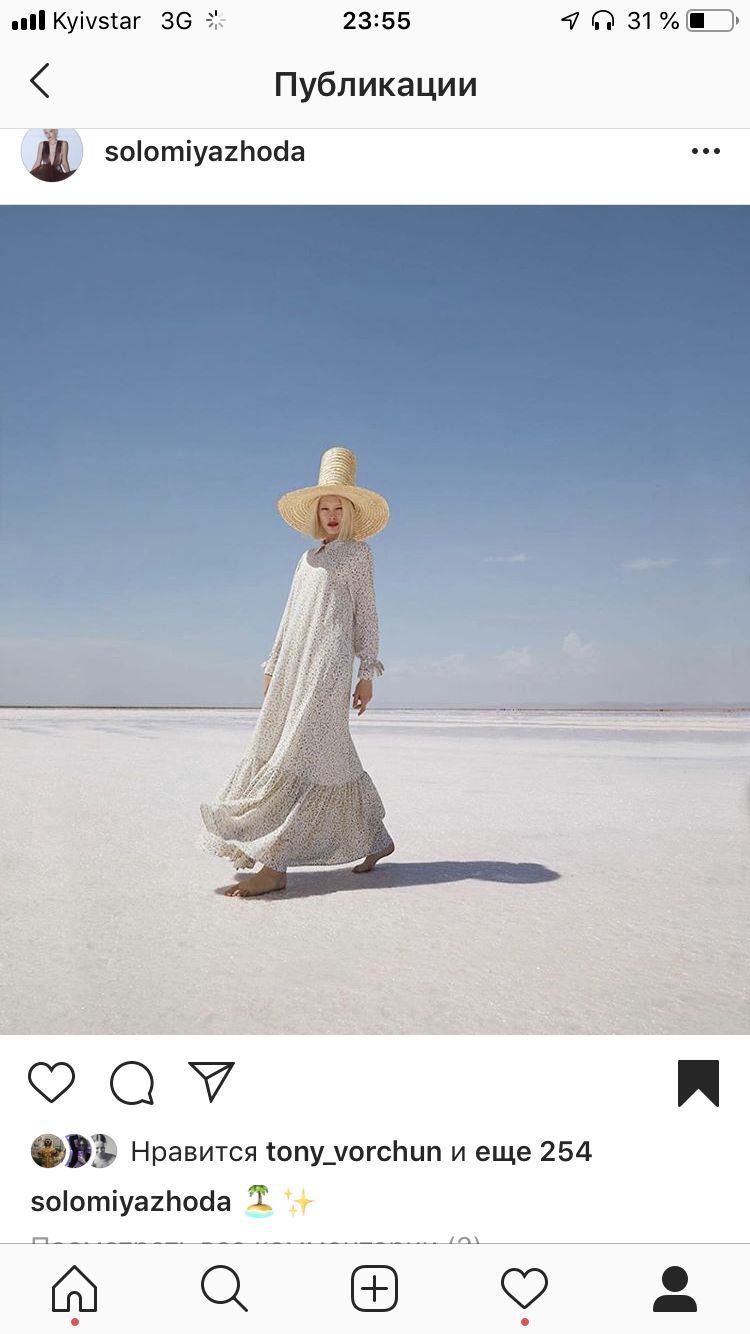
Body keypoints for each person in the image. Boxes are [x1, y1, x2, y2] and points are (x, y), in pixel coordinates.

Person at [199, 446, 395, 897]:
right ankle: (375, 839)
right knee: (328, 754)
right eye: (324, 507)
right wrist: (273, 664)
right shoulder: (306, 560)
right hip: (294, 666)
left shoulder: (358, 555)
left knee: (296, 752)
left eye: (337, 507)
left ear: (349, 512)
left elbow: (367, 616)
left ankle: (276, 864)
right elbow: (289, 617)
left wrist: (367, 672)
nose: (330, 515)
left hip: (328, 667)